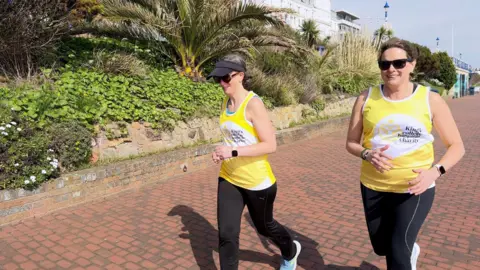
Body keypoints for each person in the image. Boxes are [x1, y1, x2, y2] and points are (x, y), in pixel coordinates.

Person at [346, 38, 465, 270]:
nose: (391, 69)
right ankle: (411, 249)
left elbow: (457, 145)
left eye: (399, 63)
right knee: (381, 246)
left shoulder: (430, 100)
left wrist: (435, 172)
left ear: (412, 65)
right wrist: (367, 154)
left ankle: (407, 252)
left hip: (414, 188)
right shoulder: (366, 98)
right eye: (385, 64)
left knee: (398, 250)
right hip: (373, 186)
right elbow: (351, 143)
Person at [206, 54, 302, 270]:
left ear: (240, 76)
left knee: (265, 227)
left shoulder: (254, 104)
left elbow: (270, 145)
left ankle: (290, 249)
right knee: (227, 234)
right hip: (229, 177)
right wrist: (222, 152)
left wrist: (233, 151)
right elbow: (234, 137)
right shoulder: (225, 101)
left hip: (258, 182)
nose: (221, 83)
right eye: (217, 79)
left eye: (225, 77)